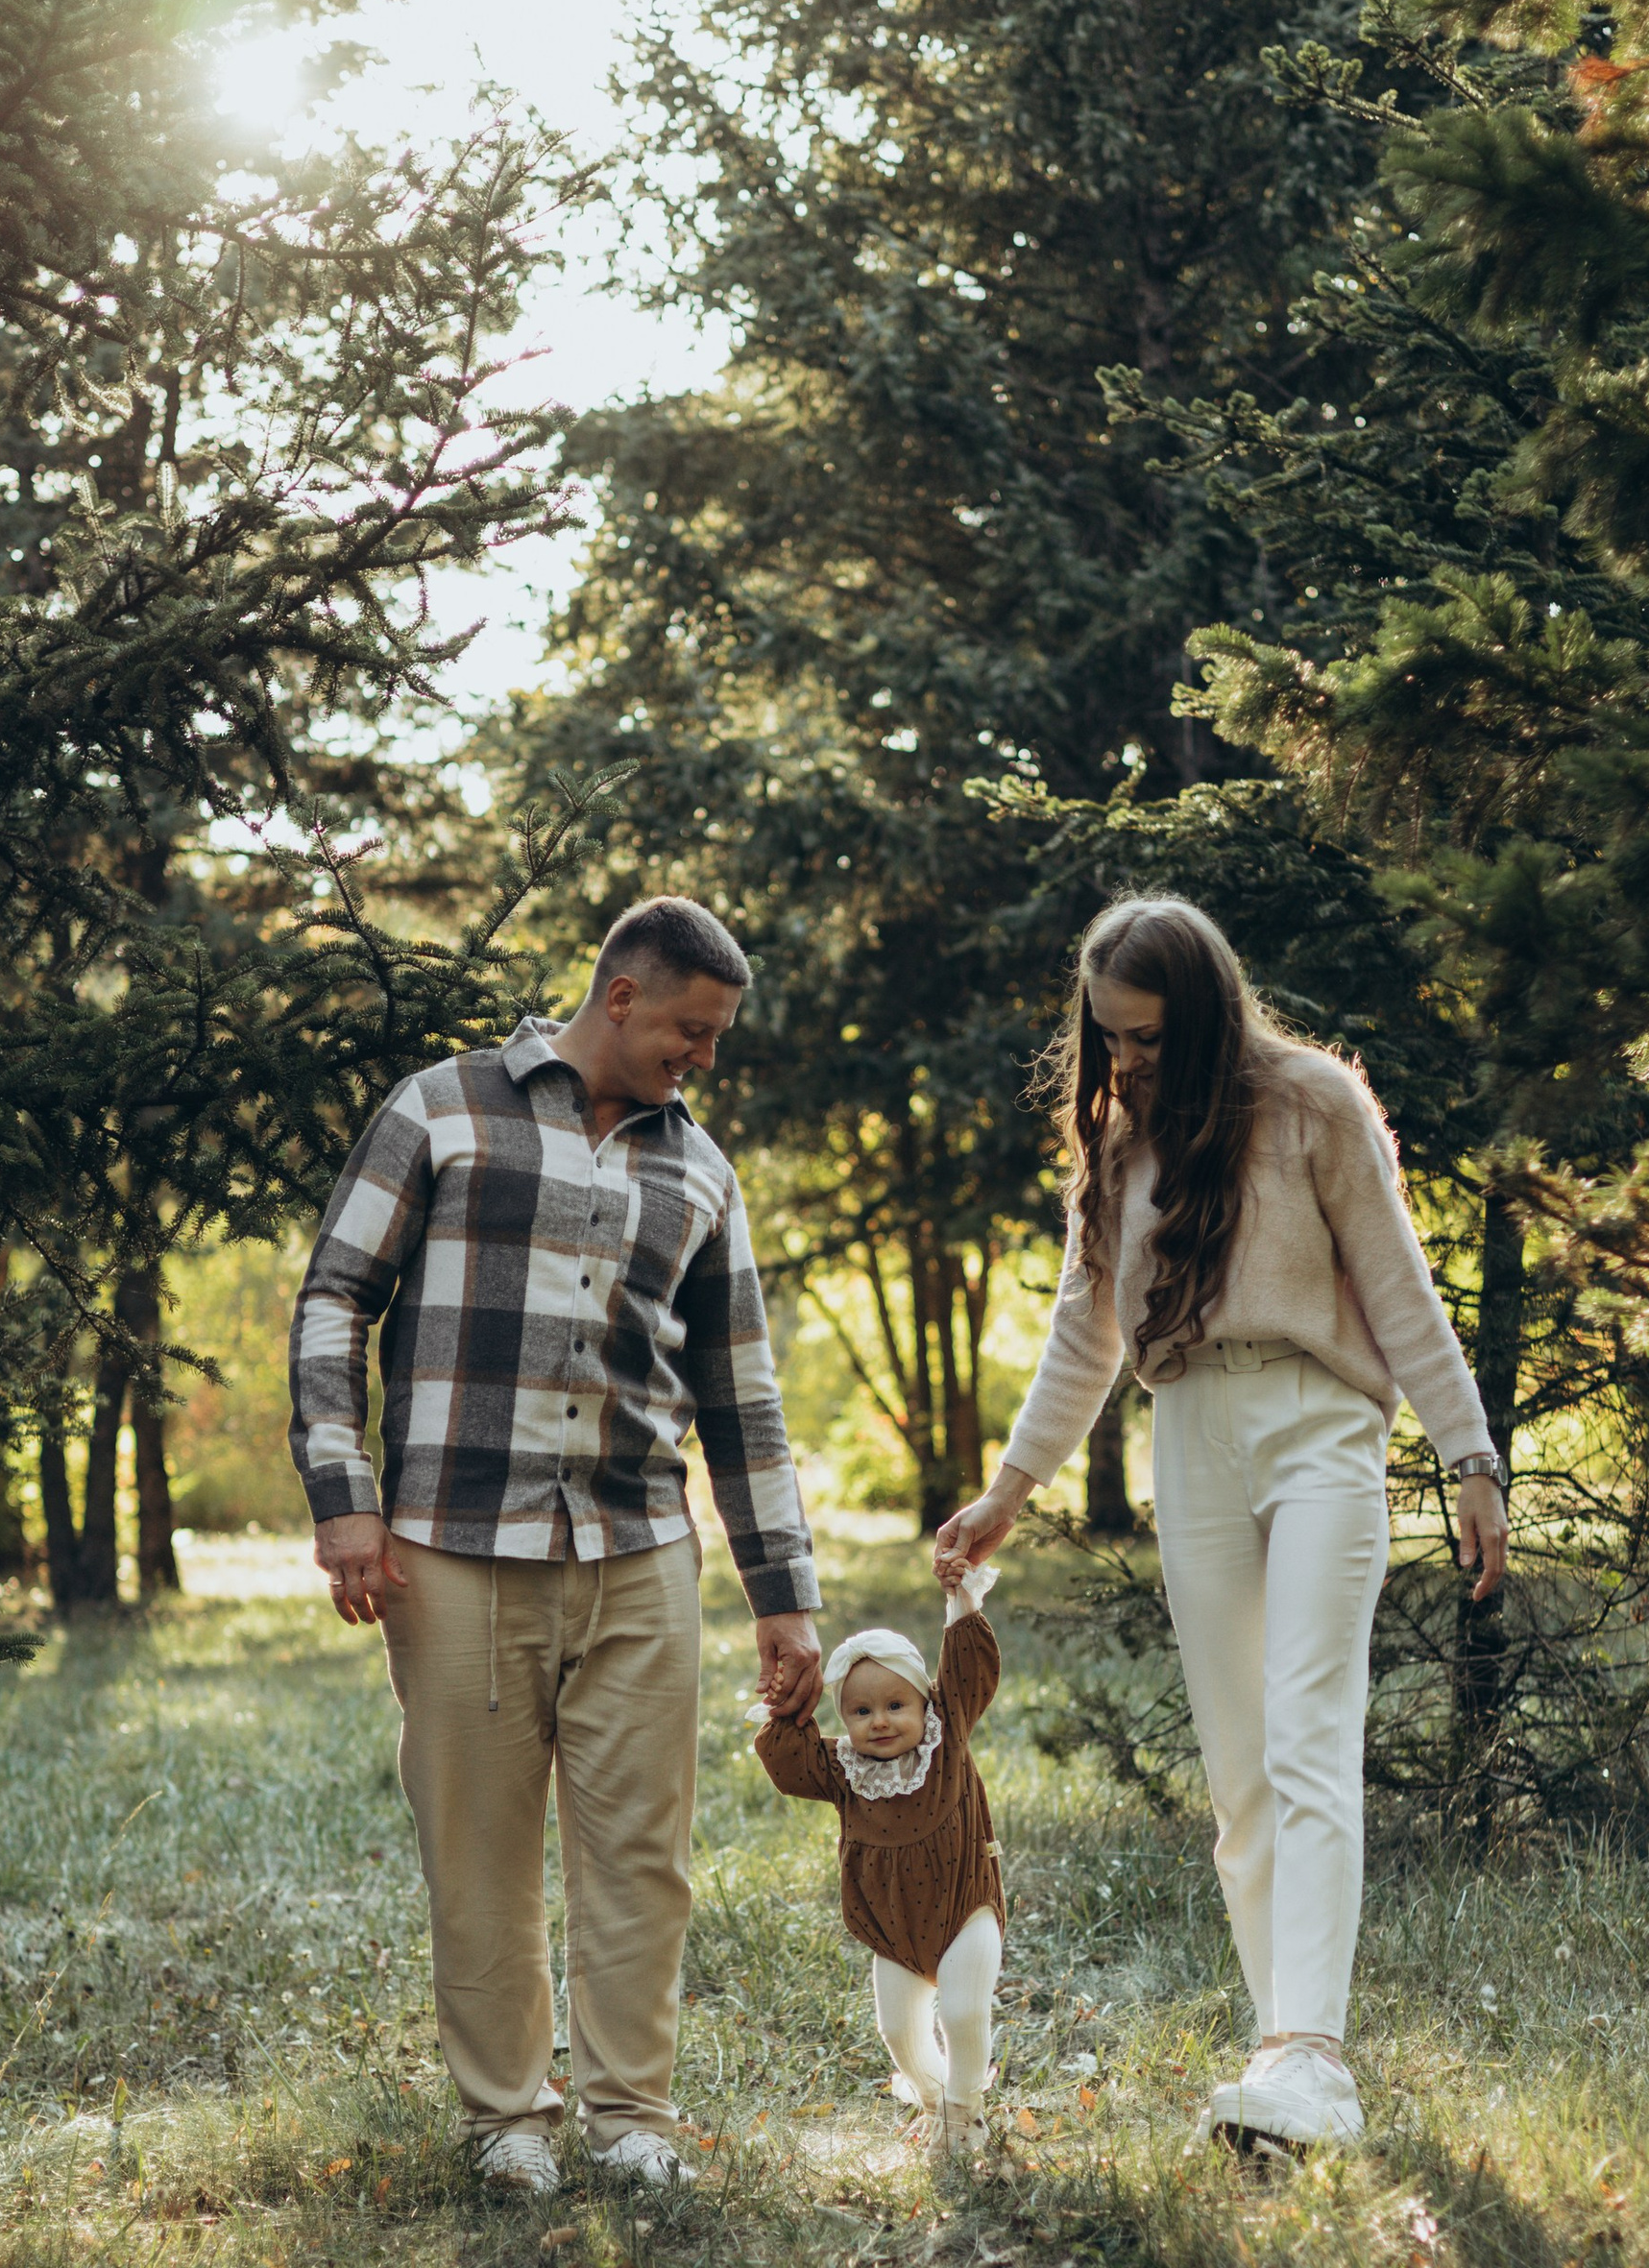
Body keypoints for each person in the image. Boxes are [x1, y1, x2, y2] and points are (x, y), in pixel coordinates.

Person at [935, 896, 1509, 2156]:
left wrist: (1470, 1455)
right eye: (1110, 1040)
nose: (1126, 1061)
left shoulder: (1316, 1106)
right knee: (1241, 1779)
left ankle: (1315, 2053)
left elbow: (1400, 1289)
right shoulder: (1118, 1143)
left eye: (1146, 1037)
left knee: (1310, 1736)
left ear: (1204, 1015)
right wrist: (1008, 1492)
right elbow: (1082, 1339)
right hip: (1191, 1433)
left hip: (1320, 1432)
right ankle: (1280, 2052)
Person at [288, 895, 823, 2195]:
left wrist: (783, 1595)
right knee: (477, 1842)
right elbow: (336, 1297)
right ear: (623, 996)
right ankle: (505, 2120)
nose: (704, 1057)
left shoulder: (702, 1171)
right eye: (691, 1030)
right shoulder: (443, 1107)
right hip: (454, 1543)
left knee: (642, 1845)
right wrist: (343, 1494)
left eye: (719, 1038)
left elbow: (741, 1394)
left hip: (639, 1545)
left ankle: (630, 2111)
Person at [752, 1564, 1005, 2157]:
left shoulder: (949, 1736)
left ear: (926, 1703)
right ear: (844, 1720)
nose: (881, 1721)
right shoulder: (843, 1770)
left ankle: (966, 2110)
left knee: (964, 2013)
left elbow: (969, 1669)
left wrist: (960, 1602)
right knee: (898, 2030)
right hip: (892, 1921)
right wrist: (790, 1700)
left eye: (896, 1704)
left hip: (967, 1905)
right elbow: (789, 1762)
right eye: (861, 1712)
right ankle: (934, 2098)